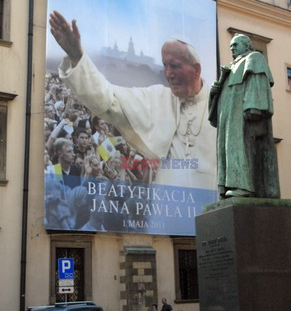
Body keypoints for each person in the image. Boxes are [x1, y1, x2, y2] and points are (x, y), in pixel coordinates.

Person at [49, 11, 215, 190]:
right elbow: (109, 98)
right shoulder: (156, 99)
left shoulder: (221, 105)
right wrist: (77, 57)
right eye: (165, 66)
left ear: (196, 70)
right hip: (168, 210)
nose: (168, 74)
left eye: (174, 66)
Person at [209, 33, 280, 199]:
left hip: (242, 115)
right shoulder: (230, 67)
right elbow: (221, 97)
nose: (232, 48)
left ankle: (243, 187)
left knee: (239, 146)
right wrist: (214, 93)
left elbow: (258, 82)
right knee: (228, 149)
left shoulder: (254, 58)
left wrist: (253, 107)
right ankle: (229, 186)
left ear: (246, 45)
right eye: (231, 46)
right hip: (228, 117)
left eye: (235, 44)